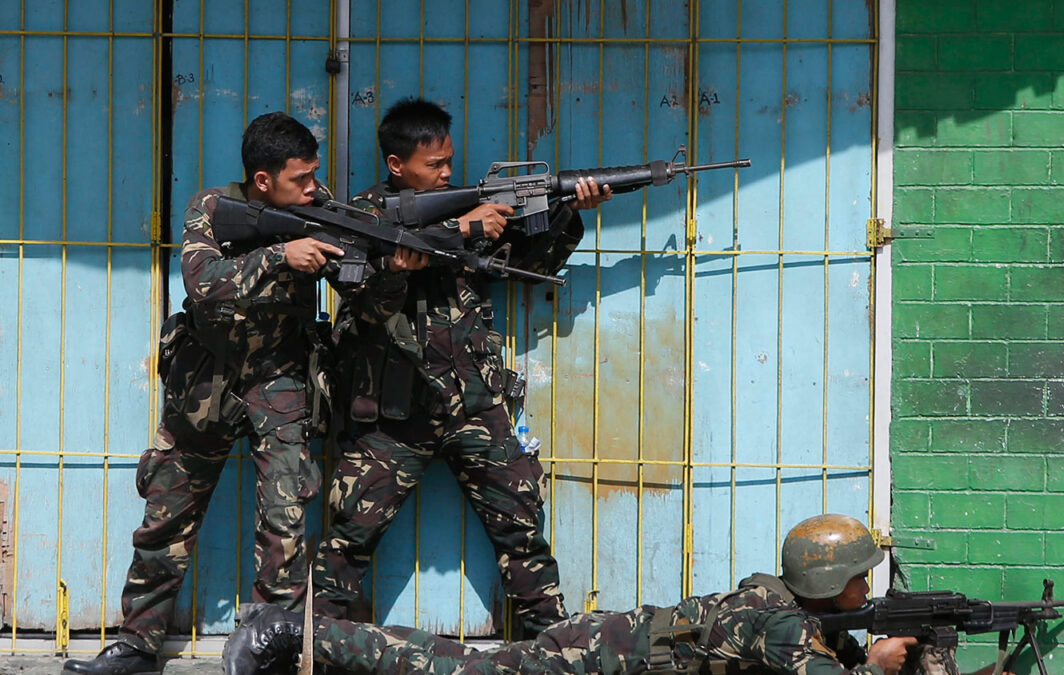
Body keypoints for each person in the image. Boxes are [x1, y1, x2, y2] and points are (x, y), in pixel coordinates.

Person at [63, 112, 422, 675]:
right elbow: (202, 285)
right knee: (167, 510)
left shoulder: (320, 209)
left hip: (281, 379)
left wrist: (392, 273)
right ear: (262, 181)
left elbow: (370, 307)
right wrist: (282, 254)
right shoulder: (211, 208)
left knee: (285, 518)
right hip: (204, 379)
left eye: (313, 175)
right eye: (300, 179)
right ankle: (136, 642)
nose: (312, 188)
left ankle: (272, 649)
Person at [309, 98, 611, 636]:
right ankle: (318, 640)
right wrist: (464, 230)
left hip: (474, 400)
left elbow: (529, 265)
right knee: (352, 531)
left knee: (521, 523)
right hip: (393, 408)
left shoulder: (462, 203)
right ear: (397, 165)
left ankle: (555, 646)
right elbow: (366, 293)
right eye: (435, 165)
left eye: (449, 160)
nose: (448, 172)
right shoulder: (361, 217)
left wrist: (570, 212)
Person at [223, 514, 1014, 675]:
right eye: (860, 578)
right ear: (827, 584)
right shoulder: (780, 628)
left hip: (609, 642)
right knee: (453, 665)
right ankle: (293, 630)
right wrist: (881, 662)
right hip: (593, 659)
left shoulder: (790, 607)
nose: (869, 588)